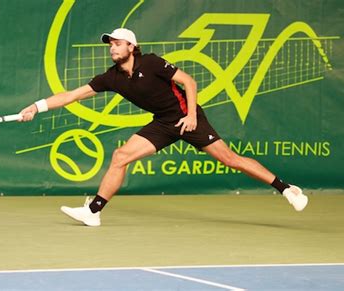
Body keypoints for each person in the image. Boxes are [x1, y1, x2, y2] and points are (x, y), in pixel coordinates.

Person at [19, 28, 308, 226]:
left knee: (230, 160)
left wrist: (192, 115)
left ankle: (287, 189)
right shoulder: (112, 78)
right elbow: (71, 95)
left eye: (117, 43)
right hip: (162, 123)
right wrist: (36, 106)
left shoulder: (153, 63)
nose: (112, 48)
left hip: (187, 119)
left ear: (131, 46)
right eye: (110, 44)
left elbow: (189, 82)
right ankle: (93, 211)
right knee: (121, 157)